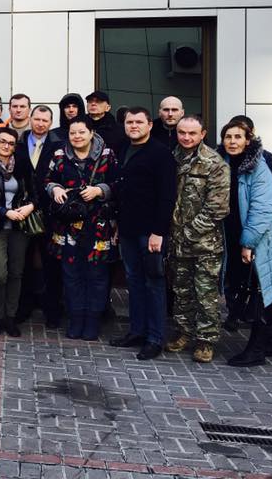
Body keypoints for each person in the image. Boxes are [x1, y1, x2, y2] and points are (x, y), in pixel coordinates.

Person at [219, 118, 272, 366]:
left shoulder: (257, 166)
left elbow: (262, 209)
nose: (233, 141)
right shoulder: (222, 163)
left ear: (248, 140)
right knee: (251, 287)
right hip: (233, 237)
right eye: (228, 137)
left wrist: (248, 243)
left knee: (258, 291)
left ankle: (256, 350)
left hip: (257, 240)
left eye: (238, 137)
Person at [109, 108, 177, 360]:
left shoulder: (161, 154)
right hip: (127, 229)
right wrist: (117, 224)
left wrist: (159, 232)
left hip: (150, 233)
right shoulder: (123, 149)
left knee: (154, 283)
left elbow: (167, 196)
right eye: (130, 122)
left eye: (139, 122)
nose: (134, 126)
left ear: (149, 125)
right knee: (134, 282)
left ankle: (154, 338)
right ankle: (137, 331)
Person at [45, 116, 118, 340]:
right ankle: (76, 320)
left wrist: (100, 190)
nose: (76, 136)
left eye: (81, 132)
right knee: (71, 274)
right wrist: (55, 189)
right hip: (67, 226)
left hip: (98, 225)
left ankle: (92, 321)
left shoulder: (107, 155)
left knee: (97, 276)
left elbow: (119, 183)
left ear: (91, 133)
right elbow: (47, 179)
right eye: (72, 133)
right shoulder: (59, 154)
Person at [165, 116, 229, 362]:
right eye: (182, 132)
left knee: (205, 294)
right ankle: (184, 332)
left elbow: (217, 208)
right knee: (181, 291)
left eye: (192, 133)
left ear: (203, 134)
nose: (186, 137)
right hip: (177, 242)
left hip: (204, 244)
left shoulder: (214, 163)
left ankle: (206, 341)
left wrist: (189, 232)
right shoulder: (172, 158)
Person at [0, 127, 37, 336]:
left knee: (16, 273)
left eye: (11, 143)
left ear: (15, 146)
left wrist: (29, 207)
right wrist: (4, 212)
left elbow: (34, 192)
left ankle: (10, 317)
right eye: (2, 141)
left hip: (20, 226)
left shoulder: (22, 164)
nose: (6, 146)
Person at [20, 105, 63, 328]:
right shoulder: (18, 142)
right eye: (37, 119)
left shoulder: (59, 145)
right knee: (23, 262)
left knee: (50, 264)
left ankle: (52, 311)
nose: (40, 123)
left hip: (49, 213)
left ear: (51, 122)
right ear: (30, 119)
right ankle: (23, 308)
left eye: (45, 120)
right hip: (22, 212)